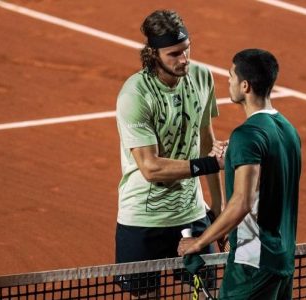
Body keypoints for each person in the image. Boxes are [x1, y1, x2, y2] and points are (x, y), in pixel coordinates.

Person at [115, 9, 224, 297]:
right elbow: (150, 168)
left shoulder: (201, 77)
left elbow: (205, 137)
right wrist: (208, 165)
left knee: (207, 294)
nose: (184, 60)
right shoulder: (135, 95)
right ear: (153, 54)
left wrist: (218, 206)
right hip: (143, 219)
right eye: (174, 54)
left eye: (186, 50)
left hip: (192, 212)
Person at [178, 49, 302, 299]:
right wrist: (233, 156)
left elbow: (242, 201)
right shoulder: (288, 130)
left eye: (231, 76)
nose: (228, 81)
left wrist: (200, 242)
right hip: (282, 261)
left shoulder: (247, 135)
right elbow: (269, 179)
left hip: (251, 265)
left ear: (245, 86)